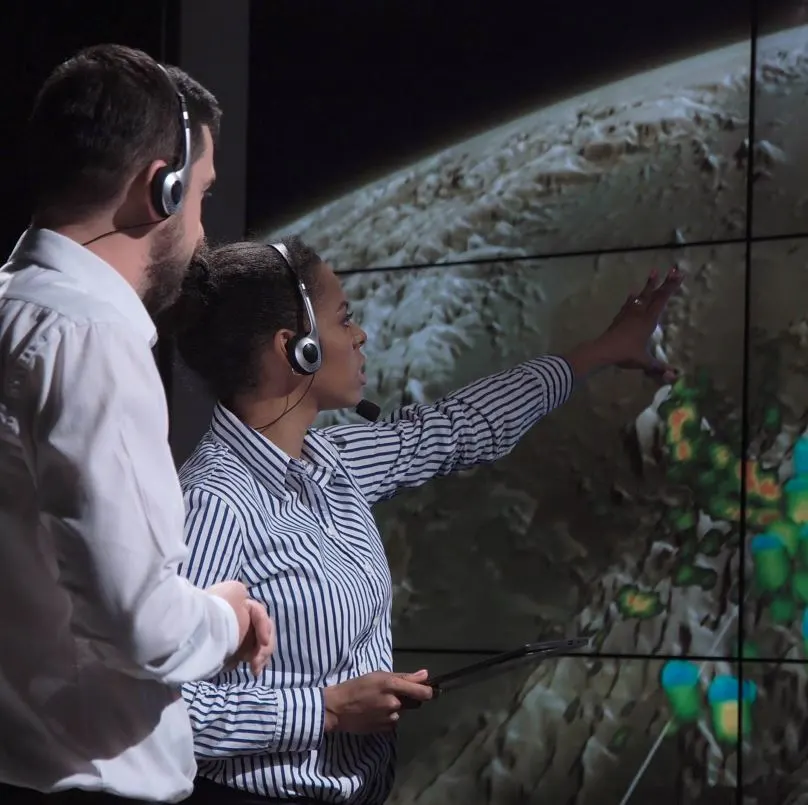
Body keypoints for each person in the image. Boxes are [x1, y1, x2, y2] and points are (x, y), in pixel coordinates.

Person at [165, 236, 683, 804]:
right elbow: (167, 708)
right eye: (344, 320)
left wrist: (603, 351)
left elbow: (459, 428)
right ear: (297, 349)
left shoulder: (330, 463)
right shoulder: (215, 501)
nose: (360, 335)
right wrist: (327, 711)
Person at [0, 45, 275, 805]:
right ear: (163, 187)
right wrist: (225, 615)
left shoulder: (13, 312)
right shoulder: (90, 339)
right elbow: (138, 623)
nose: (201, 232)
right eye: (202, 198)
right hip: (87, 779)